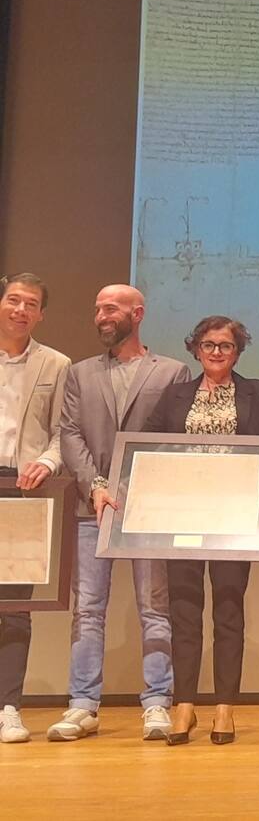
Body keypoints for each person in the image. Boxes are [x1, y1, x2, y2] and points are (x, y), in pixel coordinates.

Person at [143, 316, 259, 745]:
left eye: (226, 346)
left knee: (228, 609)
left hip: (235, 517)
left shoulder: (257, 392)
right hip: (181, 517)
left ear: (237, 352)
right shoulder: (175, 395)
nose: (216, 352)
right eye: (208, 344)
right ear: (196, 349)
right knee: (184, 610)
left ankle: (225, 707)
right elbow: (144, 444)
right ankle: (185, 705)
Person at [52, 284, 190, 742]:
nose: (101, 316)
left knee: (155, 609)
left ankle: (157, 702)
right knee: (88, 610)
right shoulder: (80, 372)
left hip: (149, 510)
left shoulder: (172, 371)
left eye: (110, 308)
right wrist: (95, 485)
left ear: (138, 313)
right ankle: (82, 705)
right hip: (91, 508)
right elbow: (70, 433)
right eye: (97, 309)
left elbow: (175, 440)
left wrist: (139, 487)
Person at [0, 273, 70, 744]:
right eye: (13, 300)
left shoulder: (56, 363)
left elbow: (65, 431)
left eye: (30, 304)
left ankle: (8, 707)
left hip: (22, 489)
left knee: (14, 607)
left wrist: (46, 462)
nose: (20, 310)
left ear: (41, 314)